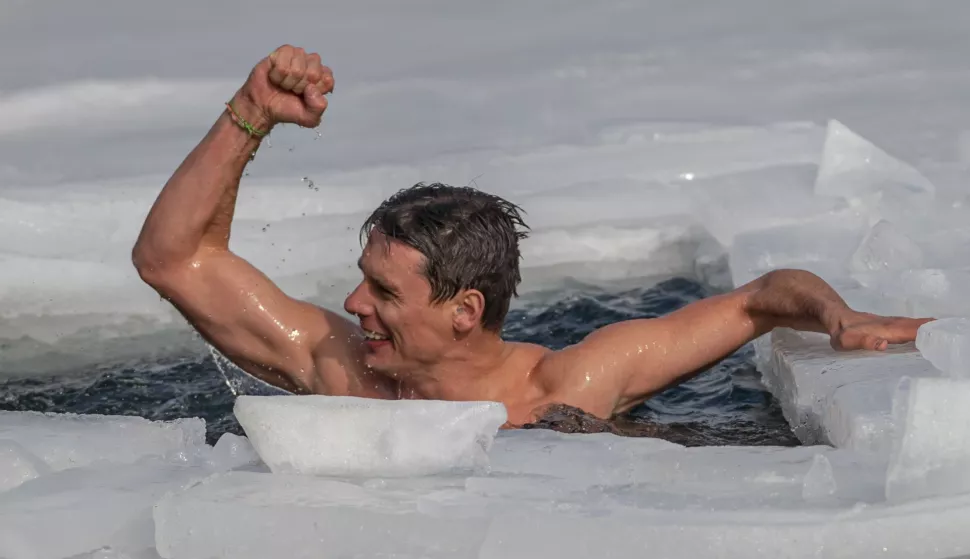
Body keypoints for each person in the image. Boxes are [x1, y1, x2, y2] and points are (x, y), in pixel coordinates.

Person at [132, 45, 933, 427]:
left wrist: (836, 316)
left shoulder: (566, 386)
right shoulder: (341, 370)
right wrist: (250, 113)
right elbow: (173, 259)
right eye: (362, 279)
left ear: (464, 310)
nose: (351, 303)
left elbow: (759, 299)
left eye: (382, 290)